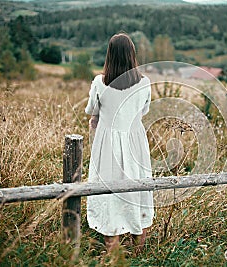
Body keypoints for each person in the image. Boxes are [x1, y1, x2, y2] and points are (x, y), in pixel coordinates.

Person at [84, 33, 154, 254]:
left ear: (110, 55)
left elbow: (91, 111)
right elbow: (144, 110)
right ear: (132, 54)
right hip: (135, 142)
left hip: (107, 145)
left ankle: (113, 253)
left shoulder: (99, 82)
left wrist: (96, 119)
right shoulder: (144, 83)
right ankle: (138, 252)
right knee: (138, 190)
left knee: (108, 192)